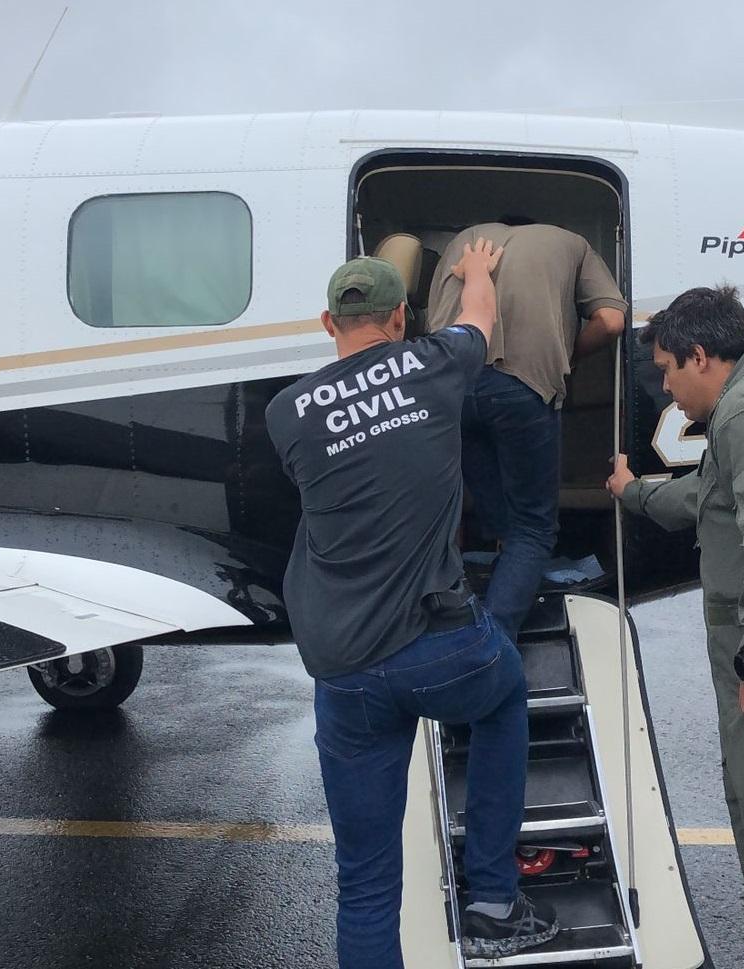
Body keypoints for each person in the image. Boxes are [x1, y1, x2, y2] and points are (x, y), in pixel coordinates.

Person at [266, 242, 558, 969]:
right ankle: (493, 898)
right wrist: (478, 274)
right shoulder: (437, 365)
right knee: (503, 696)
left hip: (344, 665)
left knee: (363, 883)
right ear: (399, 316)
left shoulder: (285, 414)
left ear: (327, 321)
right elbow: (479, 320)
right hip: (438, 648)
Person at [606, 285, 744, 969]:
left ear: (700, 356)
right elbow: (710, 498)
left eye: (667, 368)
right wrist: (631, 491)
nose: (665, 388)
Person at [428, 222, 627, 641]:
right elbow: (610, 321)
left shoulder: (461, 240)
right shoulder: (575, 242)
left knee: (495, 511)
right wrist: (564, 350)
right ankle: (492, 644)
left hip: (449, 388)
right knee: (533, 528)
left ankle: (488, 590)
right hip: (523, 383)